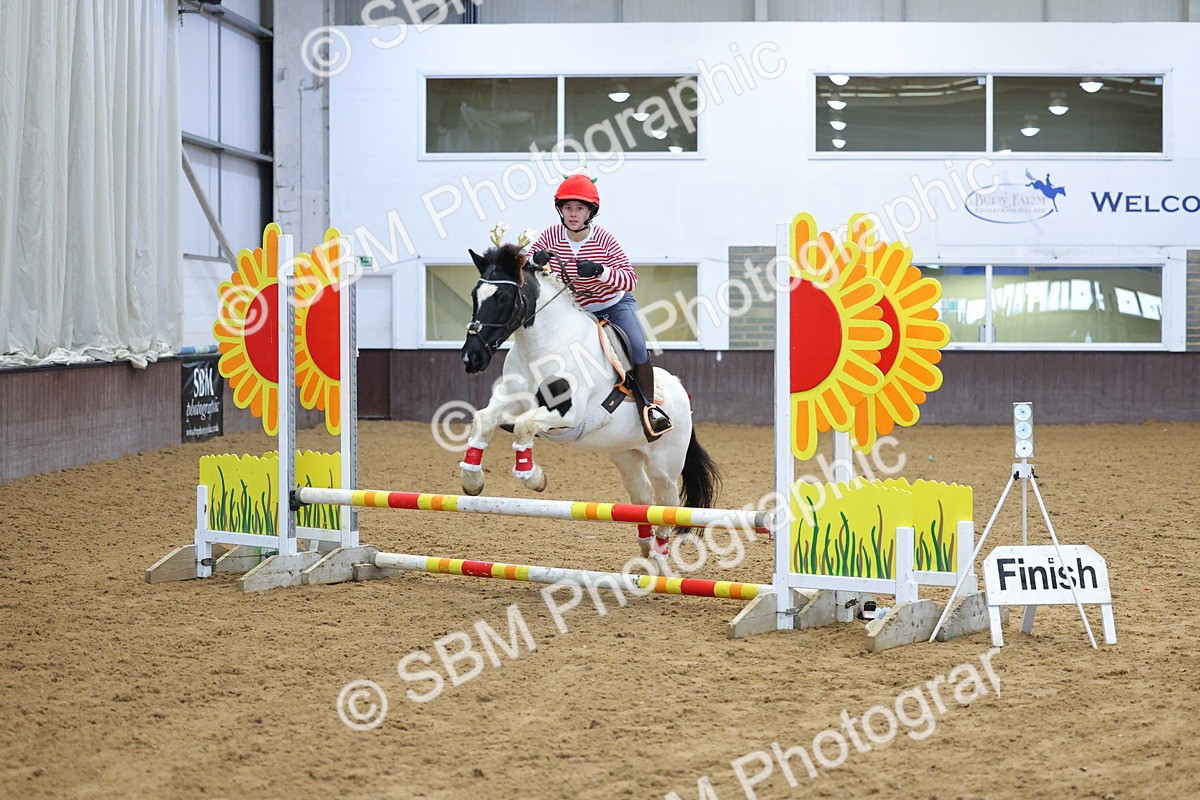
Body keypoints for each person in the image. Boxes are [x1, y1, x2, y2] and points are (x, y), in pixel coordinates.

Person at [526, 174, 673, 442]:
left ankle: (649, 409)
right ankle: (539, 407)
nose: (573, 214)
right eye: (567, 208)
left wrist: (600, 271)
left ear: (590, 212)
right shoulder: (550, 235)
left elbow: (630, 278)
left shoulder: (604, 239)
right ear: (560, 209)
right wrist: (535, 259)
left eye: (579, 208)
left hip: (614, 305)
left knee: (637, 347)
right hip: (578, 311)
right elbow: (525, 262)